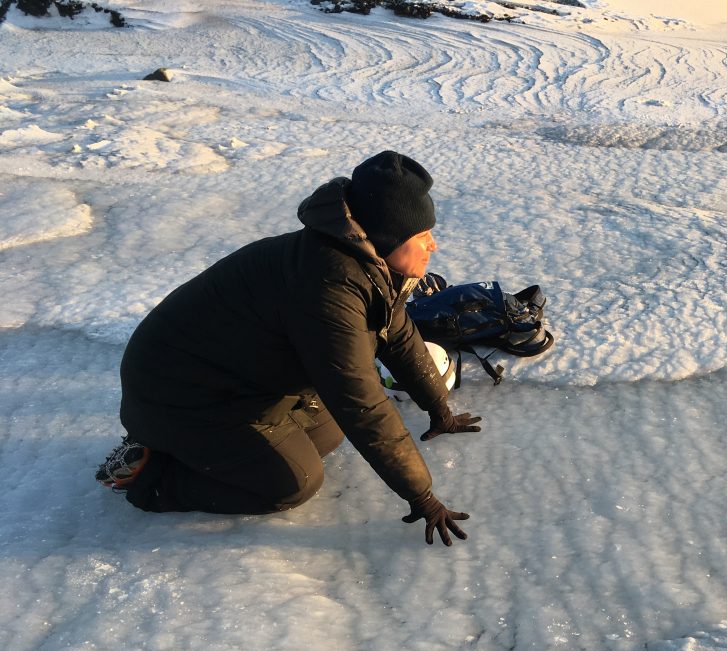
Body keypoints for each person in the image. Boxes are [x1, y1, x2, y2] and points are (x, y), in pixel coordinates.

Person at [95, 150, 481, 546]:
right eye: (421, 236)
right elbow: (361, 404)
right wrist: (423, 497)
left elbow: (397, 335)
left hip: (234, 380)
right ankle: (151, 480)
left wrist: (440, 410)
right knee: (293, 484)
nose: (432, 246)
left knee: (327, 433)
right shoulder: (329, 289)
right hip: (179, 396)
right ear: (387, 238)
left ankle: (194, 451)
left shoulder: (362, 263)